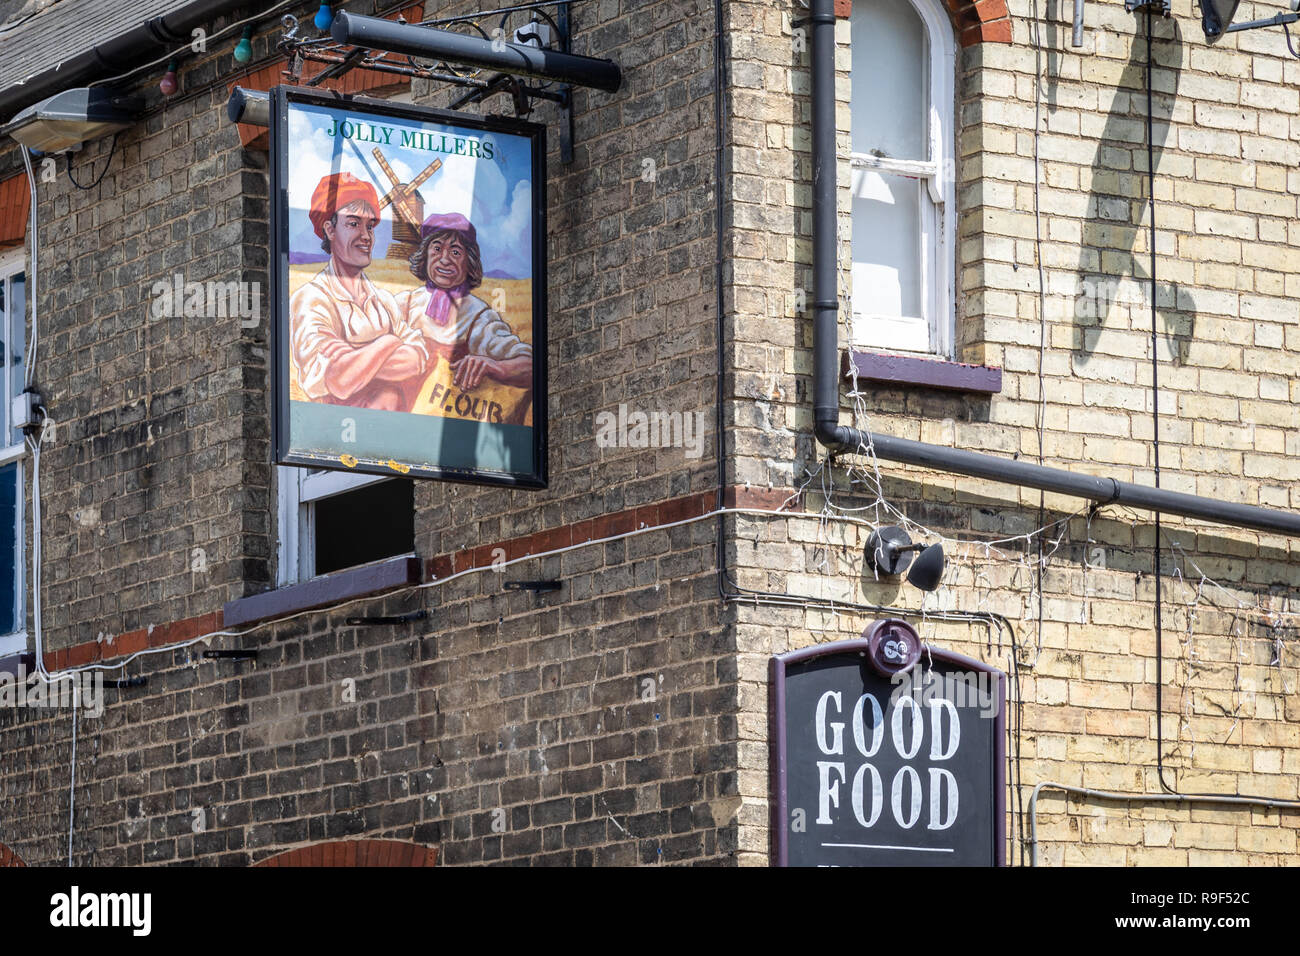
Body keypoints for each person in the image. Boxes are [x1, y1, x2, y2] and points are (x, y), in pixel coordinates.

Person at [291, 172, 428, 411]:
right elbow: (339, 381)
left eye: (370, 226)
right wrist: (389, 342)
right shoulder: (311, 299)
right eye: (354, 224)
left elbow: (418, 358)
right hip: (335, 437)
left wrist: (353, 358)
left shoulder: (384, 300)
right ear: (330, 230)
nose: (366, 236)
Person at [398, 212, 532, 392]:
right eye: (437, 249)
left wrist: (494, 366)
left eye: (455, 252)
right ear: (425, 255)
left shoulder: (479, 317)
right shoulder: (406, 303)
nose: (445, 260)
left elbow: (530, 366)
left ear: (469, 262)